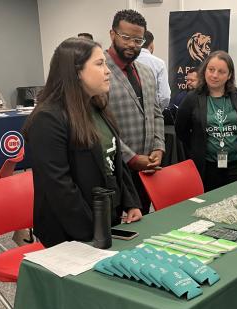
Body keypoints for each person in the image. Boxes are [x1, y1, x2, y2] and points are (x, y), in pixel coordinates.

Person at [23, 37, 142, 248]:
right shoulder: (48, 118)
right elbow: (59, 186)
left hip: (105, 220)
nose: (108, 71)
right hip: (71, 232)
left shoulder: (97, 107)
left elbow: (114, 159)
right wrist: (93, 229)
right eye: (99, 64)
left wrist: (130, 202)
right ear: (76, 71)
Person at [105, 9, 165, 214]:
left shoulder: (146, 72)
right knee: (114, 232)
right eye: (126, 37)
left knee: (141, 225)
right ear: (112, 34)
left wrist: (158, 147)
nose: (132, 44)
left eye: (138, 40)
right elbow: (97, 124)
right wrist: (130, 158)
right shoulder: (99, 71)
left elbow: (156, 113)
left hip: (147, 169)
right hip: (113, 169)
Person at [175, 50, 237, 192]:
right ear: (204, 70)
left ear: (229, 75)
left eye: (221, 71)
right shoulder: (192, 98)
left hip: (236, 165)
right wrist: (197, 142)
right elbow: (181, 129)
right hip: (207, 166)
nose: (214, 75)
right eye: (211, 69)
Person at [136, 30, 171, 110]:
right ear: (151, 45)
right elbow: (165, 96)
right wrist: (157, 111)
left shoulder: (129, 60)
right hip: (153, 113)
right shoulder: (159, 63)